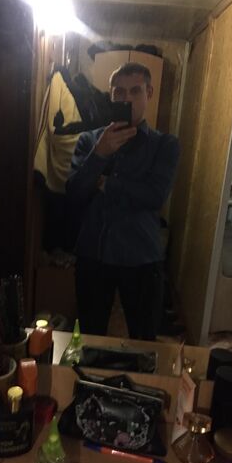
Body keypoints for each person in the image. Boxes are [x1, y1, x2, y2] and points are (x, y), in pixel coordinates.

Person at [66, 62, 180, 340]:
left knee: (144, 340)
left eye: (135, 91)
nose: (126, 99)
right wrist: (99, 154)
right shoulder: (90, 141)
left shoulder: (165, 146)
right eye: (119, 92)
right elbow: (75, 192)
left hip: (142, 257)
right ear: (111, 95)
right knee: (89, 336)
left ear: (149, 93)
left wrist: (106, 183)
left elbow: (154, 197)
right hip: (94, 254)